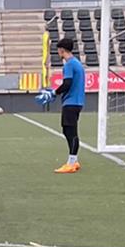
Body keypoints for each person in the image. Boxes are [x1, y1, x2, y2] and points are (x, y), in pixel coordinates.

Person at [51, 39, 86, 173]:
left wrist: (54, 93)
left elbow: (67, 83)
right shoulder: (76, 63)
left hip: (71, 102)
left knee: (71, 131)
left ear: (62, 50)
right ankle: (74, 160)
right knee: (67, 130)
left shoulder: (69, 65)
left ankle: (71, 162)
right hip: (76, 101)